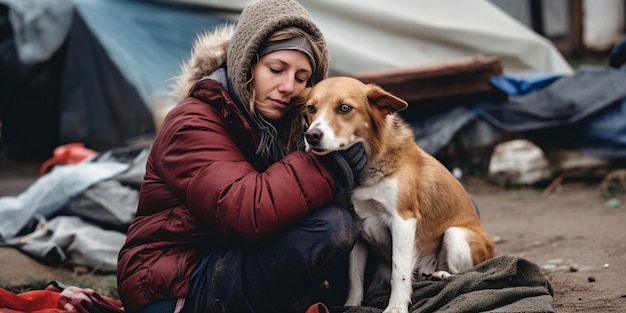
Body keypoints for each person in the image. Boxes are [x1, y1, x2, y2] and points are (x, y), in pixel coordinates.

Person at [116, 0, 368, 312]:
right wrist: (327, 168)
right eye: (276, 69)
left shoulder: (278, 127)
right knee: (329, 228)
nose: (288, 87)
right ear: (247, 63)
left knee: (343, 224)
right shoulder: (192, 122)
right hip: (171, 284)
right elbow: (244, 212)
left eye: (302, 78)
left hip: (228, 261)